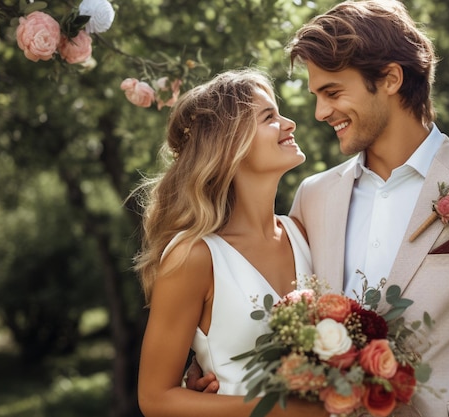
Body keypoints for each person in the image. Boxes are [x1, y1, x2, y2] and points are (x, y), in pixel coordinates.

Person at [188, 2, 449, 416]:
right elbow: (270, 313)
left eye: (332, 92)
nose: (320, 112)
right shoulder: (314, 196)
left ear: (389, 78)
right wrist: (215, 371)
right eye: (316, 96)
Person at [134, 68, 328, 417]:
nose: (290, 124)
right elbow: (155, 398)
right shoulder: (193, 256)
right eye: (270, 117)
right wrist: (287, 412)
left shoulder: (304, 232)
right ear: (229, 144)